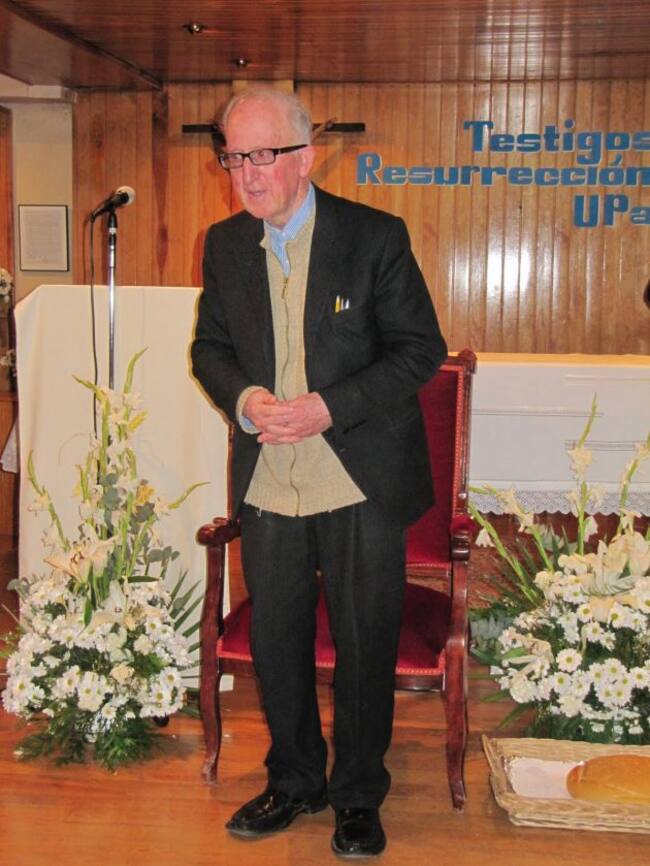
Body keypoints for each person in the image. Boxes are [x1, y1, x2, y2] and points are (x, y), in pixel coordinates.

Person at [191, 87, 447, 859]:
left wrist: (328, 408)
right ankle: (295, 779)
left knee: (366, 641)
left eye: (260, 155)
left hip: (359, 470)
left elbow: (418, 349)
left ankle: (358, 794)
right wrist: (246, 398)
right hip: (270, 476)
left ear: (303, 158)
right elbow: (209, 349)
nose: (245, 172)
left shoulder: (375, 237)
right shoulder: (225, 243)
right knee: (277, 640)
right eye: (234, 156)